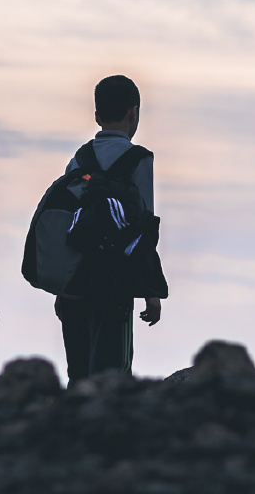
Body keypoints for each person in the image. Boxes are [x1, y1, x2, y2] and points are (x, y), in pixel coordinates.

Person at [55, 75, 163, 381]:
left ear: (97, 116)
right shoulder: (139, 160)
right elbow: (143, 226)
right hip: (115, 283)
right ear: (134, 112)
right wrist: (150, 292)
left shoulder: (79, 159)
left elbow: (67, 220)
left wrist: (61, 287)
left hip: (76, 282)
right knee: (112, 377)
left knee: (78, 373)